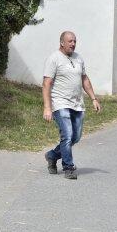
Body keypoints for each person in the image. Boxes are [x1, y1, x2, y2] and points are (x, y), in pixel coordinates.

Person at [43, 31, 101, 179]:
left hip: (77, 104)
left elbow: (85, 79)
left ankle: (52, 155)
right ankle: (68, 167)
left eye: (74, 41)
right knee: (67, 135)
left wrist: (93, 98)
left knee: (75, 137)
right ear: (62, 42)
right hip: (60, 103)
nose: (73, 44)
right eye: (70, 41)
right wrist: (47, 107)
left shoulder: (78, 58)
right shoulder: (54, 59)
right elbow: (46, 84)